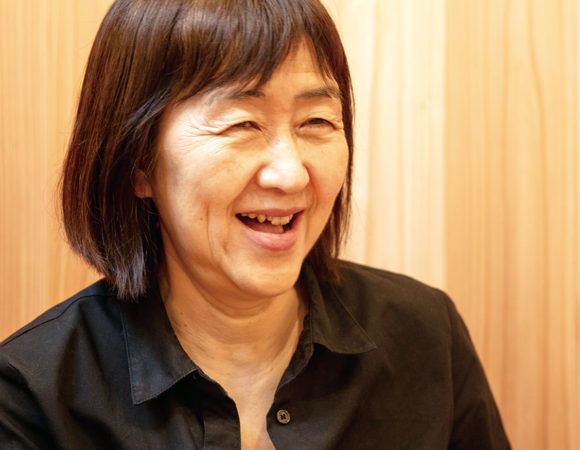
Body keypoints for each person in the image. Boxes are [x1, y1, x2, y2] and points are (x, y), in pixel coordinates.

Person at [0, 0, 510, 448]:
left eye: (317, 122)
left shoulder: (426, 336)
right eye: (242, 124)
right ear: (138, 163)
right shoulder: (32, 395)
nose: (291, 174)